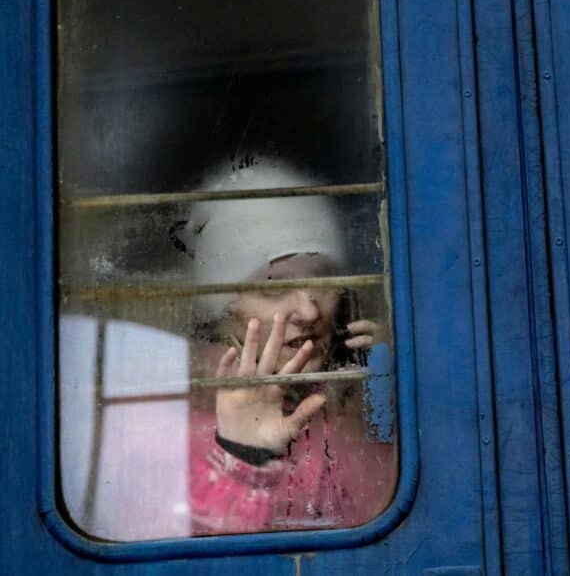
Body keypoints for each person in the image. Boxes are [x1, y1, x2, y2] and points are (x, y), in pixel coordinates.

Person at [59, 160, 397, 540]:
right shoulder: (154, 416)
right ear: (221, 308)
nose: (309, 311)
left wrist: (389, 394)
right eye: (273, 288)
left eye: (324, 282)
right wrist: (241, 458)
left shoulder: (349, 396)